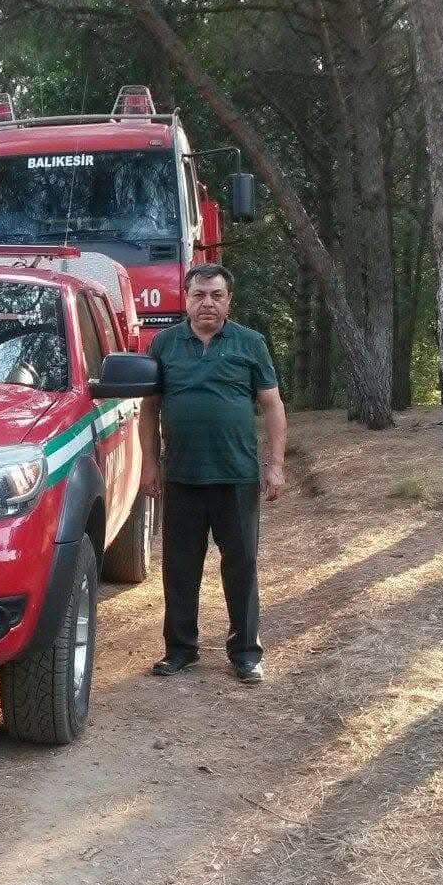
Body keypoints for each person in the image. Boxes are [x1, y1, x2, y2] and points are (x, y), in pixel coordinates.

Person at [140, 263, 287, 685]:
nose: (207, 303)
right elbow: (149, 409)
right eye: (199, 295)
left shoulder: (250, 344)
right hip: (182, 476)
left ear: (228, 301)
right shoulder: (165, 345)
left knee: (241, 565)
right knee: (180, 567)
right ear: (186, 299)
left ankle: (245, 653)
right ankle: (180, 650)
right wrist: (150, 464)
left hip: (236, 476)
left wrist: (275, 465)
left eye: (216, 295)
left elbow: (273, 406)